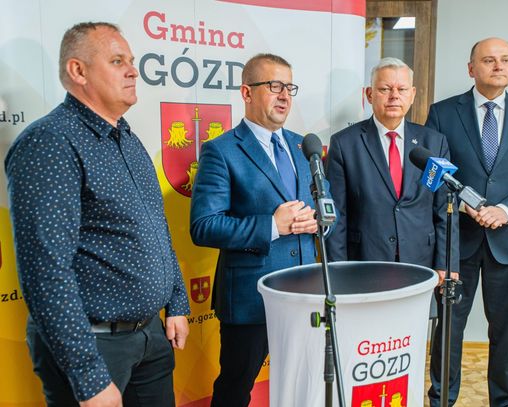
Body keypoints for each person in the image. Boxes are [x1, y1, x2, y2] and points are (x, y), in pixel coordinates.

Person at [5, 22, 190, 407]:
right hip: (94, 346)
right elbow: (45, 271)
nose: (133, 71)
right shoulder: (50, 143)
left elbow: (157, 230)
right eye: (118, 61)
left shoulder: (128, 139)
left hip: (150, 337)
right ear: (78, 71)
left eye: (132, 61)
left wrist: (176, 302)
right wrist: (87, 376)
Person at [190, 53, 321, 407]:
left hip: (305, 293)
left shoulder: (304, 146)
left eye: (289, 87)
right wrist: (271, 226)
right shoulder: (221, 151)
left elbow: (328, 207)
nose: (284, 96)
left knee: (304, 384)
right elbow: (204, 226)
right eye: (274, 86)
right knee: (235, 388)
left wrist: (319, 221)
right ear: (247, 92)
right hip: (251, 298)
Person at [426, 37, 508, 407]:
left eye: (505, 59)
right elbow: (432, 174)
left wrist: (506, 210)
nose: (498, 66)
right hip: (456, 241)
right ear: (471, 68)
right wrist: (462, 204)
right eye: (489, 60)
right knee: (449, 328)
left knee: (507, 331)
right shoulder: (443, 113)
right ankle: (442, 399)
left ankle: (506, 401)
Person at [325, 57, 458, 276]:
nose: (394, 96)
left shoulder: (434, 143)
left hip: (421, 260)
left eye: (402, 89)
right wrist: (337, 269)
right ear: (369, 94)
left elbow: (444, 208)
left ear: (412, 95)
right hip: (365, 261)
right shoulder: (344, 143)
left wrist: (446, 263)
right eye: (385, 89)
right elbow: (337, 214)